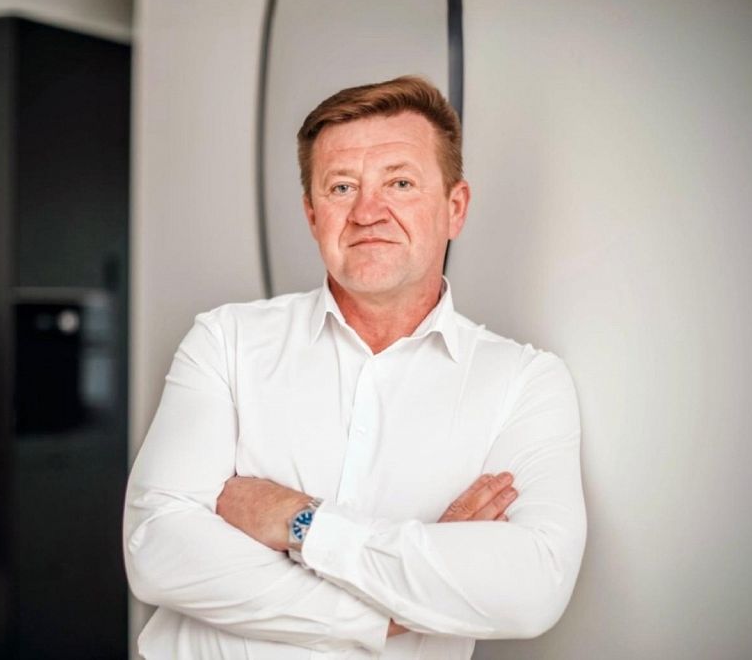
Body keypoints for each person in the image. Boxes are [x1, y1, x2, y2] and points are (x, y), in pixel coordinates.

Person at [123, 76, 587, 659]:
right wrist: (396, 607)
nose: (369, 212)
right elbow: (156, 549)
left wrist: (299, 522)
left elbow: (531, 588)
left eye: (400, 182)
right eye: (342, 187)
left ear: (455, 208)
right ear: (312, 215)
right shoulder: (225, 341)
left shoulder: (525, 382)